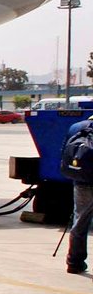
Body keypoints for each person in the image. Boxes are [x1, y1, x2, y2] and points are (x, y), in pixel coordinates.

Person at [65, 117, 93, 275]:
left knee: (80, 221)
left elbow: (66, 153)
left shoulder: (76, 127)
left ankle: (74, 262)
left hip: (82, 181)